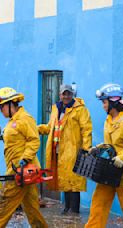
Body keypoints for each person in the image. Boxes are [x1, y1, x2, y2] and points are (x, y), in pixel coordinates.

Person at [85, 83, 123, 228]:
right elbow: (111, 144)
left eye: (104, 102)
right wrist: (98, 148)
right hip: (110, 171)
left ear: (113, 103)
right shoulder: (109, 121)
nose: (103, 106)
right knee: (98, 205)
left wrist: (122, 157)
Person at [0, 87, 47, 228]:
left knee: (3, 205)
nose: (1, 110)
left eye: (2, 106)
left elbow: (34, 140)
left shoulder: (25, 119)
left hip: (20, 171)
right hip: (21, 171)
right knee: (32, 209)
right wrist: (1, 137)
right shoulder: (12, 121)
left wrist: (24, 159)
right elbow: (17, 139)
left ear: (11, 104)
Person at [38, 84, 92, 214]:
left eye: (68, 94)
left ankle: (74, 210)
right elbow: (50, 127)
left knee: (74, 182)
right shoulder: (56, 109)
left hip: (73, 150)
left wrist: (86, 148)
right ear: (60, 95)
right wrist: (36, 129)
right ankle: (66, 207)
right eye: (64, 94)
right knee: (64, 180)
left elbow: (86, 130)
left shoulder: (80, 109)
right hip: (58, 150)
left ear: (72, 94)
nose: (66, 96)